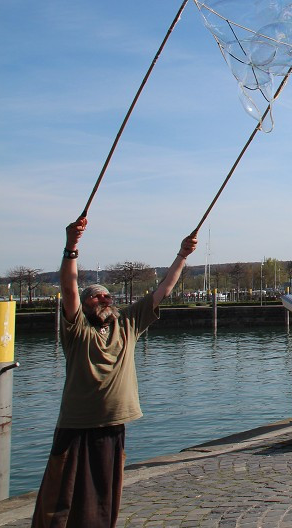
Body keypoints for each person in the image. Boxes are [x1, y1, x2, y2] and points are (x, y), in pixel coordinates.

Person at [33, 217, 197, 528]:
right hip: (77, 423)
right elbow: (68, 287)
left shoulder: (128, 323)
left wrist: (182, 255)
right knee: (61, 500)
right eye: (97, 295)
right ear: (85, 304)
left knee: (104, 498)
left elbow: (164, 288)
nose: (106, 299)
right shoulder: (77, 328)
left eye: (108, 295)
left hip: (113, 423)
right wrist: (71, 247)